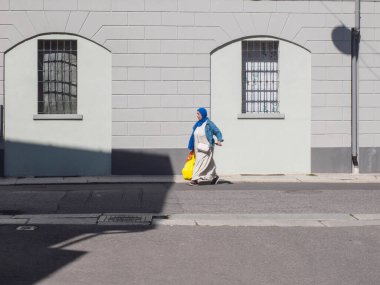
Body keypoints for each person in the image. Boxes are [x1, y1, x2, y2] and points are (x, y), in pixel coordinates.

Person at [187, 108, 223, 186]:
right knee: (209, 163)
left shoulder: (209, 124)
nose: (197, 115)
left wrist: (219, 140)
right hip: (198, 148)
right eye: (197, 114)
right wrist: (192, 147)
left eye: (198, 114)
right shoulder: (197, 124)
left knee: (199, 162)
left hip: (207, 147)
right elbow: (193, 136)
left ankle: (195, 179)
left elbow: (217, 131)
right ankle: (214, 177)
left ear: (203, 114)